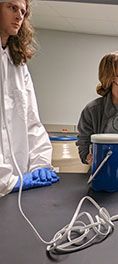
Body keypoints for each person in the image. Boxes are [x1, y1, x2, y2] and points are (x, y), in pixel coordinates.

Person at [0, 0, 59, 197]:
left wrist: (40, 164)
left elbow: (31, 121)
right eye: (12, 8)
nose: (19, 16)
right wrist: (6, 180)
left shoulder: (18, 64)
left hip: (18, 182)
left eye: (23, 12)